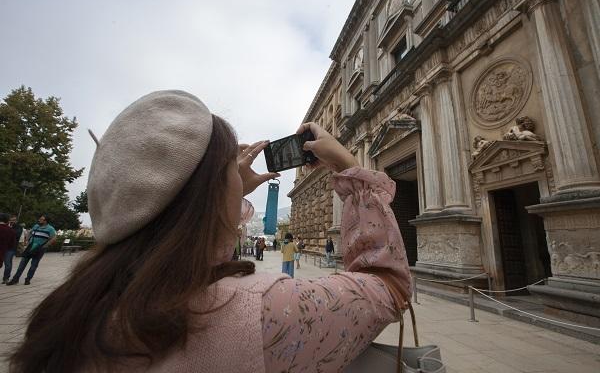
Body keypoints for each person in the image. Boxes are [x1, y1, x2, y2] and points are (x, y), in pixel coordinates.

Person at [8, 91, 411, 373]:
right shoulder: (266, 308)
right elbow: (388, 286)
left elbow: (185, 230)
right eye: (228, 170)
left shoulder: (67, 312)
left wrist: (222, 193)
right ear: (214, 192)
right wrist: (347, 165)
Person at [7, 214, 56, 286]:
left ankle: (28, 279)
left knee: (33, 265)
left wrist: (45, 245)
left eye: (41, 219)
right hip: (30, 247)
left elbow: (54, 238)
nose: (39, 220)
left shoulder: (50, 228)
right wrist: (26, 240)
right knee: (22, 264)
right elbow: (30, 232)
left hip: (39, 249)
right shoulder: (36, 226)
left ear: (46, 221)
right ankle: (15, 279)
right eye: (40, 219)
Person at [3, 215, 23, 284]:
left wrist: (9, 229)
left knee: (8, 263)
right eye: (11, 220)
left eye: (14, 220)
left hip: (11, 248)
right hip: (3, 247)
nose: (12, 221)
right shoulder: (5, 225)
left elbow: (17, 235)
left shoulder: (19, 227)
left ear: (16, 221)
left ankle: (6, 278)